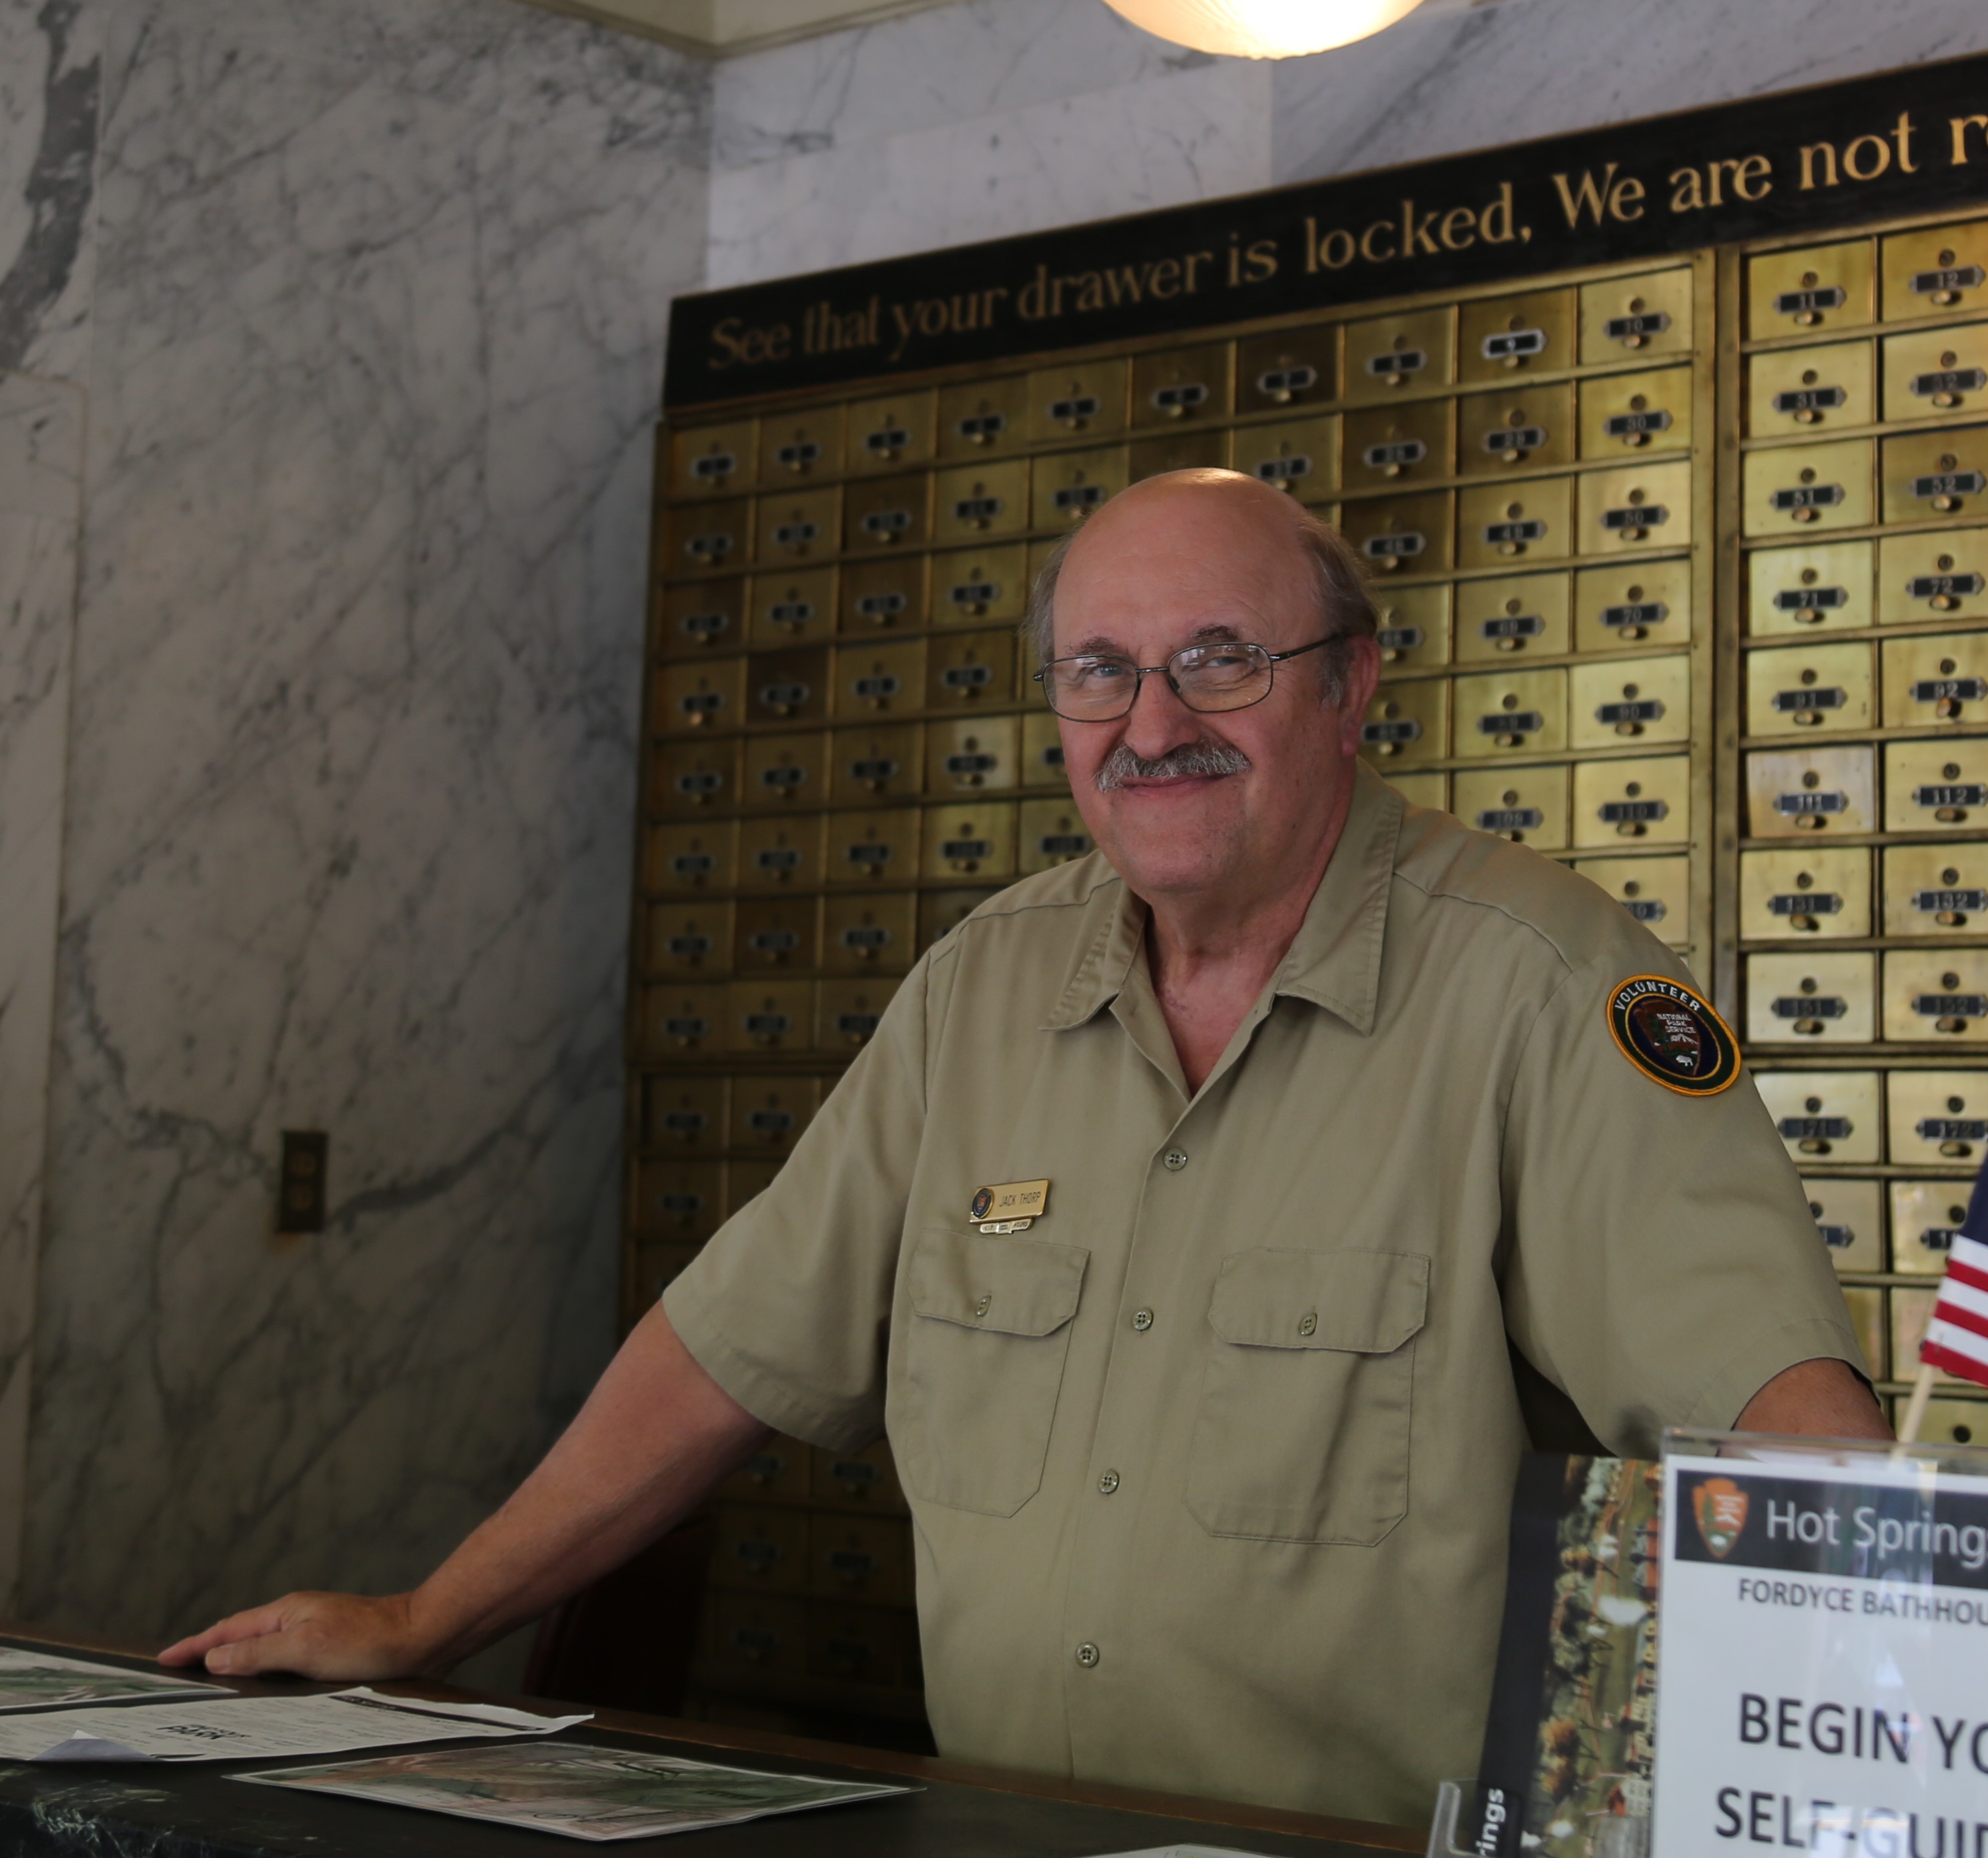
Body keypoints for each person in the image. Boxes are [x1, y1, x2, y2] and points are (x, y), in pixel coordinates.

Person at [165, 469, 1888, 1824]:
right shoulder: (984, 987)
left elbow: (1780, 1416)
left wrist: (1908, 1758)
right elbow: (722, 1352)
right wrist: (422, 1622)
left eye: (1222, 659)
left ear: (1354, 685)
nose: (1153, 724)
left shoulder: (1548, 982)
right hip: (1003, 1830)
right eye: (1100, 671)